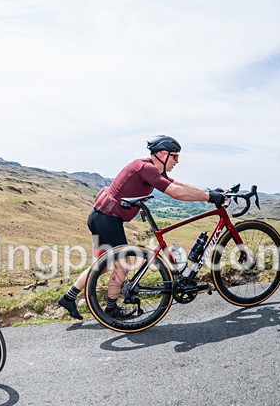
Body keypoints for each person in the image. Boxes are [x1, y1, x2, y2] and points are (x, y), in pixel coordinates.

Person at [57, 135, 226, 319]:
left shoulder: (149, 168)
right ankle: (111, 308)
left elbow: (177, 183)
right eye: (175, 157)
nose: (177, 161)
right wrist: (209, 198)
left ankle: (68, 297)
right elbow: (175, 192)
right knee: (124, 263)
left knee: (103, 266)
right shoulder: (146, 168)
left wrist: (208, 192)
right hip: (107, 218)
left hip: (100, 216)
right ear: (162, 154)